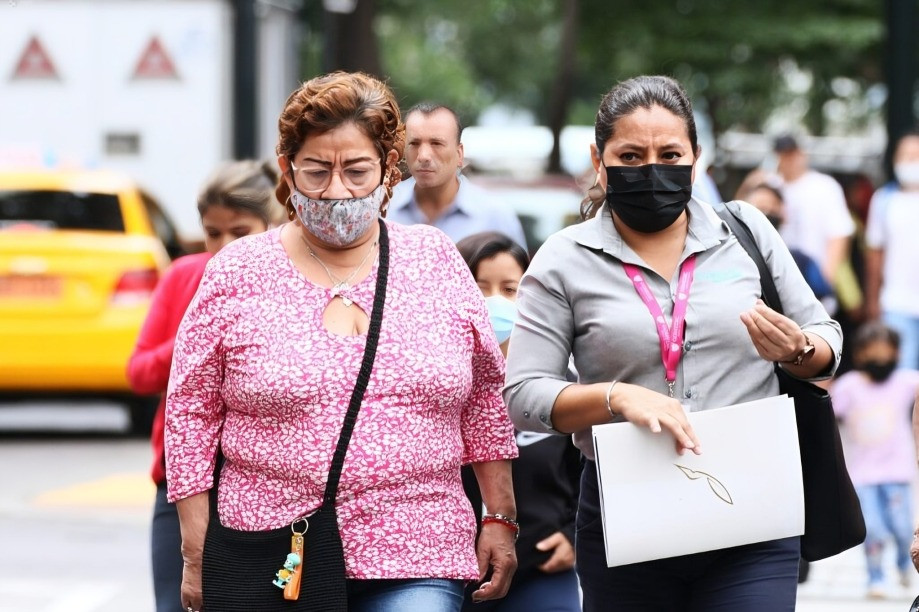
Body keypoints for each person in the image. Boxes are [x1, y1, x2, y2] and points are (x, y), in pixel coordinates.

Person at [165, 71, 518, 612]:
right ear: (286, 169)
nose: (336, 191)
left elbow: (484, 401)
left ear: (388, 171)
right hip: (274, 550)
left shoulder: (436, 260)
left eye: (356, 171)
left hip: (419, 544)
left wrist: (500, 516)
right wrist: (195, 549)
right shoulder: (237, 270)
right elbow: (191, 412)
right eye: (316, 171)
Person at [503, 75, 842, 611]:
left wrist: (799, 349)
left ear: (695, 157)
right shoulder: (562, 258)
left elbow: (828, 339)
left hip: (751, 511)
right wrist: (615, 397)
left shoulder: (744, 232)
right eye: (631, 156)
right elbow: (522, 395)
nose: (652, 169)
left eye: (669, 153)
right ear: (599, 159)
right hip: (627, 515)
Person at [126, 159, 279, 612]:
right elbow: (139, 372)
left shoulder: (289, 284)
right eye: (213, 233)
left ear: (272, 225)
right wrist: (198, 337)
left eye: (240, 231)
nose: (224, 246)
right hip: (177, 484)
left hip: (256, 488)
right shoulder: (184, 276)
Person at [455, 231, 582, 612]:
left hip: (541, 569)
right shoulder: (433, 387)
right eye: (481, 288)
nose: (495, 301)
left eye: (510, 289)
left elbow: (588, 470)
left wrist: (573, 535)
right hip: (447, 574)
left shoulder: (560, 386)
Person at [831, 321, 919, 599]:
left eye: (886, 353)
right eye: (873, 353)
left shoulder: (905, 382)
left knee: (904, 527)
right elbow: (827, 411)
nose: (880, 359)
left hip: (897, 470)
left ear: (896, 354)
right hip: (864, 474)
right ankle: (876, 578)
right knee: (873, 529)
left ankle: (906, 564)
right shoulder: (849, 386)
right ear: (859, 355)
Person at [387, 102, 527, 248]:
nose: (423, 156)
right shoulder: (383, 210)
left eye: (436, 143)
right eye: (414, 144)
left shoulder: (495, 217)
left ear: (459, 154)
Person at [864, 131, 919, 370]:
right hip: (897, 303)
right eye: (905, 155)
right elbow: (875, 253)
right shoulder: (884, 199)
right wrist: (873, 301)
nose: (910, 161)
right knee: (902, 375)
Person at [771, 133, 855, 287]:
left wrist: (825, 279)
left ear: (801, 153)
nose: (789, 160)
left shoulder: (824, 186)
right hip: (779, 279)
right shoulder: (771, 186)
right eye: (783, 155)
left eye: (792, 153)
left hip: (814, 275)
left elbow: (839, 234)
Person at [745, 182, 836, 316]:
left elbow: (827, 300)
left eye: (772, 210)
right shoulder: (731, 256)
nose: (765, 215)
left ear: (783, 215)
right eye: (760, 209)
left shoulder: (800, 261)